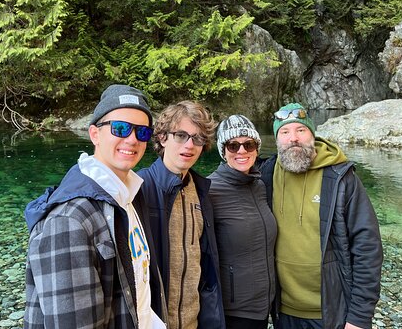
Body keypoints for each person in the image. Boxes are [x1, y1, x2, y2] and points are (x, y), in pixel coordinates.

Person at [23, 84, 166, 329]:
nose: (131, 139)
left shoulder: (129, 195)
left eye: (141, 132)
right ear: (94, 134)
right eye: (120, 128)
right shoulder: (69, 220)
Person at [260, 103, 383, 329]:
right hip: (282, 311)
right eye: (284, 132)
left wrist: (359, 316)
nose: (293, 138)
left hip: (331, 311)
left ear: (312, 134)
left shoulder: (341, 178)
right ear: (277, 139)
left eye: (300, 130)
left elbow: (367, 248)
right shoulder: (267, 174)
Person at [137, 101, 226, 329]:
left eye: (197, 138)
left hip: (194, 321)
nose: (189, 145)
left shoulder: (201, 190)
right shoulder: (140, 188)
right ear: (163, 138)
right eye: (181, 135)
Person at [208, 115, 277, 329]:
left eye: (248, 144)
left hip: (264, 305)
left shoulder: (258, 185)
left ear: (257, 148)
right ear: (223, 150)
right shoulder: (210, 190)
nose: (241, 151)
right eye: (233, 145)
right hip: (234, 312)